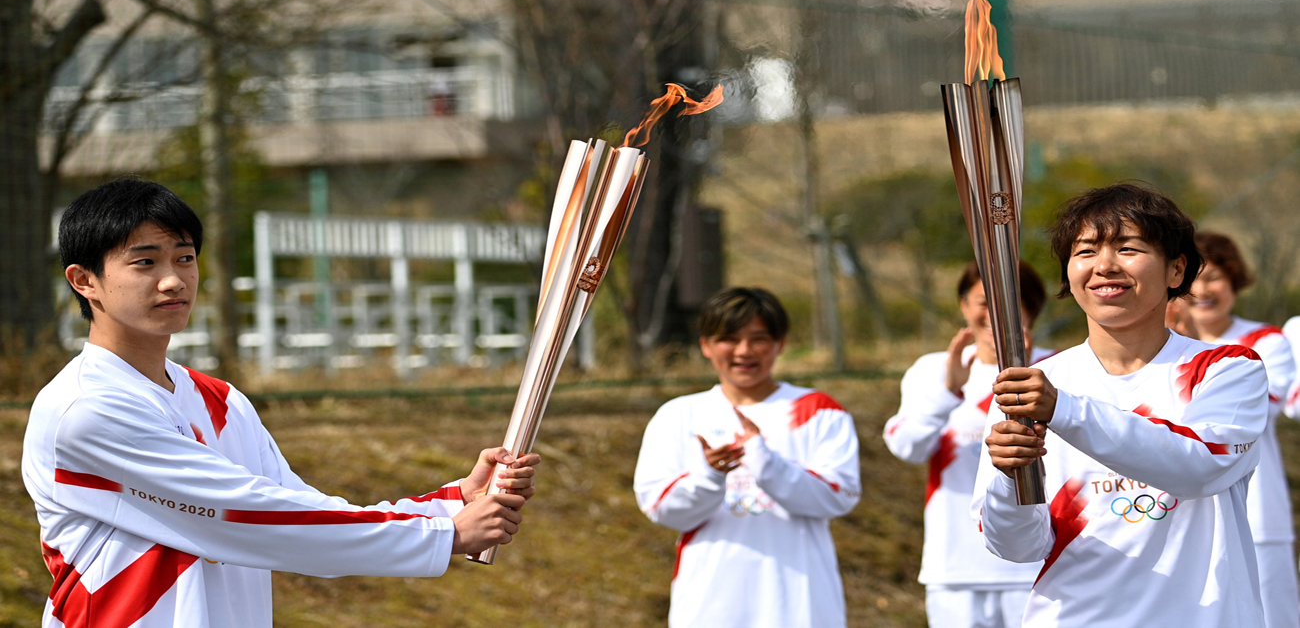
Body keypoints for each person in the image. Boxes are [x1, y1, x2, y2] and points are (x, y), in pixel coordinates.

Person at [22, 178, 541, 628]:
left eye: (185, 257)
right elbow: (246, 515)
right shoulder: (85, 411)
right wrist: (441, 534)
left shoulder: (220, 401)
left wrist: (450, 503)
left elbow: (306, 517)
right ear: (84, 280)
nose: (173, 280)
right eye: (144, 263)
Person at [973, 182, 1269, 628]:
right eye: (1086, 251)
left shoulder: (1224, 369)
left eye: (1128, 248)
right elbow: (1018, 547)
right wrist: (1008, 478)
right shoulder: (1034, 386)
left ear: (1176, 270)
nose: (1104, 266)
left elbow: (1200, 466)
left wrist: (1064, 412)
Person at [632, 287, 861, 628]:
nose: (744, 351)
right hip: (710, 604)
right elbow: (660, 508)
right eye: (729, 338)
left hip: (801, 604)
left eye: (759, 339)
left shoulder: (818, 411)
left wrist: (766, 461)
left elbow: (838, 497)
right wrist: (709, 475)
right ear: (706, 345)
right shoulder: (679, 415)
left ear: (780, 343)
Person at [884, 261, 1053, 628]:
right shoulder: (932, 369)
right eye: (983, 301)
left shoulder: (1057, 370)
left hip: (1035, 565)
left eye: (1010, 300)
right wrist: (948, 391)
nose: (995, 312)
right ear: (963, 306)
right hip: (954, 566)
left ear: (1032, 309)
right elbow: (907, 448)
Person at [1167, 231, 1299, 628]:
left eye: (1216, 278)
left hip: (1258, 513)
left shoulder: (1264, 340)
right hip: (1182, 517)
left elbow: (1260, 411)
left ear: (1234, 282)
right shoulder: (1162, 349)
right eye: (1196, 279)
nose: (1204, 290)